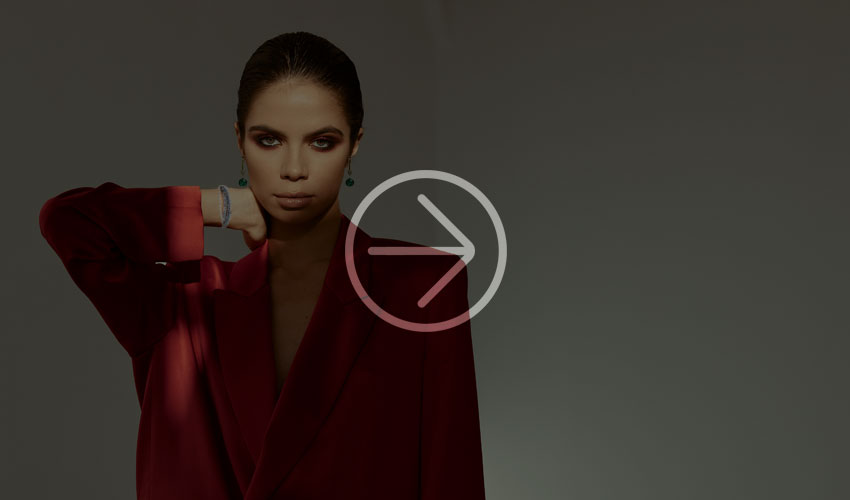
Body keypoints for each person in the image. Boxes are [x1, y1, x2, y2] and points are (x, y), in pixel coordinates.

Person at [38, 31, 485, 499]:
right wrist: (218, 206)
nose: (294, 169)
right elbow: (66, 221)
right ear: (240, 140)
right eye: (269, 140)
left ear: (354, 144)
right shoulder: (185, 303)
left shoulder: (424, 286)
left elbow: (453, 481)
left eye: (322, 142)